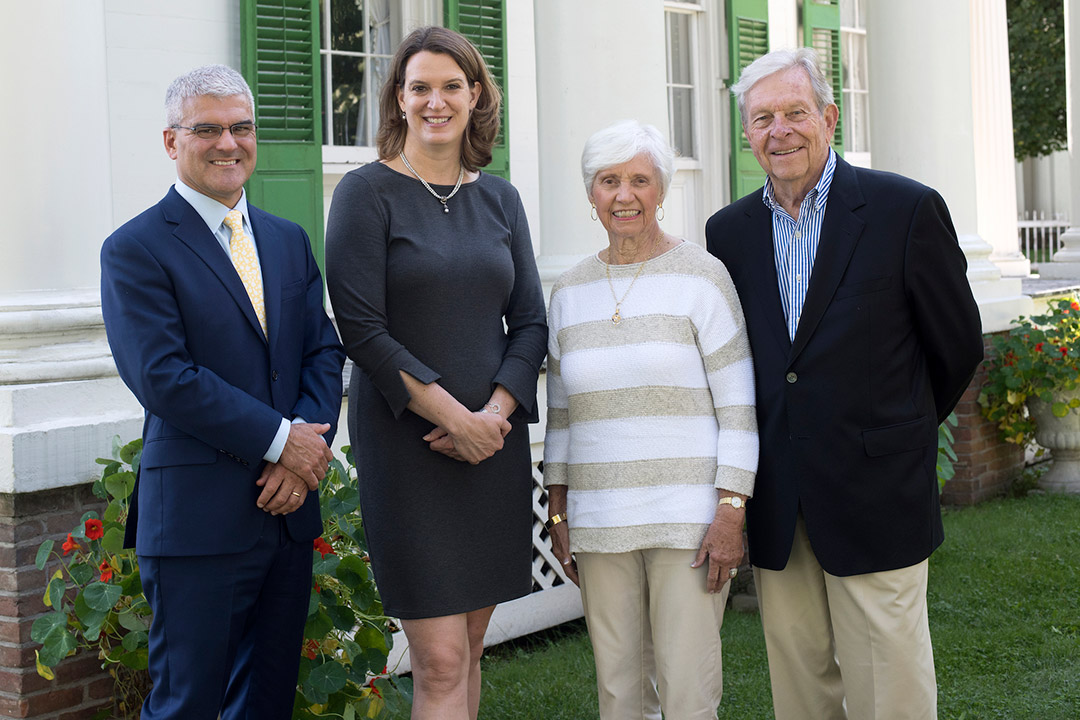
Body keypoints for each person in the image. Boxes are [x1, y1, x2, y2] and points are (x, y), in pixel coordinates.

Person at [706, 48, 983, 720]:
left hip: (877, 492)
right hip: (779, 498)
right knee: (800, 688)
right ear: (746, 132)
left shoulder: (905, 210)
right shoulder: (728, 234)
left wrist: (894, 430)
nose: (780, 131)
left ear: (829, 117)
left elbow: (956, 347)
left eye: (795, 112)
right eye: (762, 117)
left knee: (891, 689)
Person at [99, 65, 345, 720]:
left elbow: (322, 349)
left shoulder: (289, 240)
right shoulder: (135, 250)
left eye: (241, 128)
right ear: (170, 141)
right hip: (197, 525)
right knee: (187, 706)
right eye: (207, 129)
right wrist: (280, 442)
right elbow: (164, 377)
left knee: (266, 703)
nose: (228, 143)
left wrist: (306, 450)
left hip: (284, 515)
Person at [324, 27, 547, 719]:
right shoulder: (366, 194)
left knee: (472, 645)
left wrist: (494, 420)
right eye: (420, 86)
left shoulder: (501, 199)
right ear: (398, 97)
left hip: (491, 448)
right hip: (411, 448)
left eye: (452, 85)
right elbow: (362, 329)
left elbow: (531, 321)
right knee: (440, 660)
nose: (436, 100)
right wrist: (456, 420)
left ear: (475, 94)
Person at [543, 120, 758, 720]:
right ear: (591, 195)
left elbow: (739, 407)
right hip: (601, 521)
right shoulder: (570, 291)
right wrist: (557, 509)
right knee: (619, 693)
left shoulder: (702, 277)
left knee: (687, 691)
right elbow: (561, 414)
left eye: (639, 180)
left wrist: (730, 511)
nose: (624, 195)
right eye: (609, 181)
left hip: (688, 524)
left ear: (661, 190)